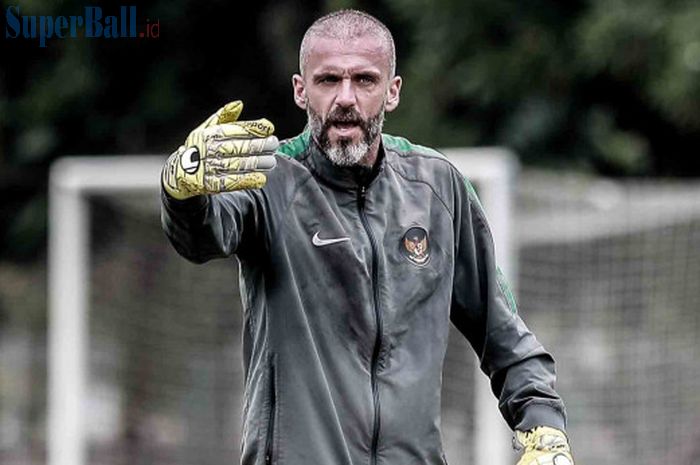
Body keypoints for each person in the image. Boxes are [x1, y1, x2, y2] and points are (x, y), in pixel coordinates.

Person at [161, 9, 575, 465]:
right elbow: (201, 238)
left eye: (364, 80)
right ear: (301, 90)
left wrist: (543, 427)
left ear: (392, 92)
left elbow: (503, 333)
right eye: (328, 80)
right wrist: (181, 191)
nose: (345, 98)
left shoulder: (438, 189)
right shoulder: (267, 181)